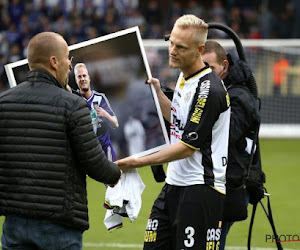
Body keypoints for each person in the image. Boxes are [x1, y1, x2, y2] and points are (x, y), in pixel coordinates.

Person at [116, 14, 231, 249]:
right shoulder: (183, 75)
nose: (172, 50)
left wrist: (136, 161)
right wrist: (158, 94)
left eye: (180, 47)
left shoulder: (210, 89)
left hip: (201, 189)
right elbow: (180, 120)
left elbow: (187, 148)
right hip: (174, 184)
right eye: (171, 43)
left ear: (199, 50)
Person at [0, 32, 121, 249]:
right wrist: (115, 174)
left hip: (14, 223)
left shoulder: (4, 102)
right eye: (68, 58)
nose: (70, 65)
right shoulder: (73, 105)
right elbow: (94, 162)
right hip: (60, 224)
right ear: (54, 62)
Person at [202, 40, 260, 250]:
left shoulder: (240, 97)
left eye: (209, 68)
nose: (204, 74)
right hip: (214, 180)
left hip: (231, 183)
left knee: (212, 242)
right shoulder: (215, 91)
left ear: (224, 67)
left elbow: (224, 137)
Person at [74, 63, 119, 162]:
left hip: (105, 148)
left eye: (84, 75)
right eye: (79, 76)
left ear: (89, 78)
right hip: (89, 152)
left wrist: (105, 114)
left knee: (115, 176)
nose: (82, 79)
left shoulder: (100, 98)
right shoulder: (74, 99)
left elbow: (116, 123)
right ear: (76, 80)